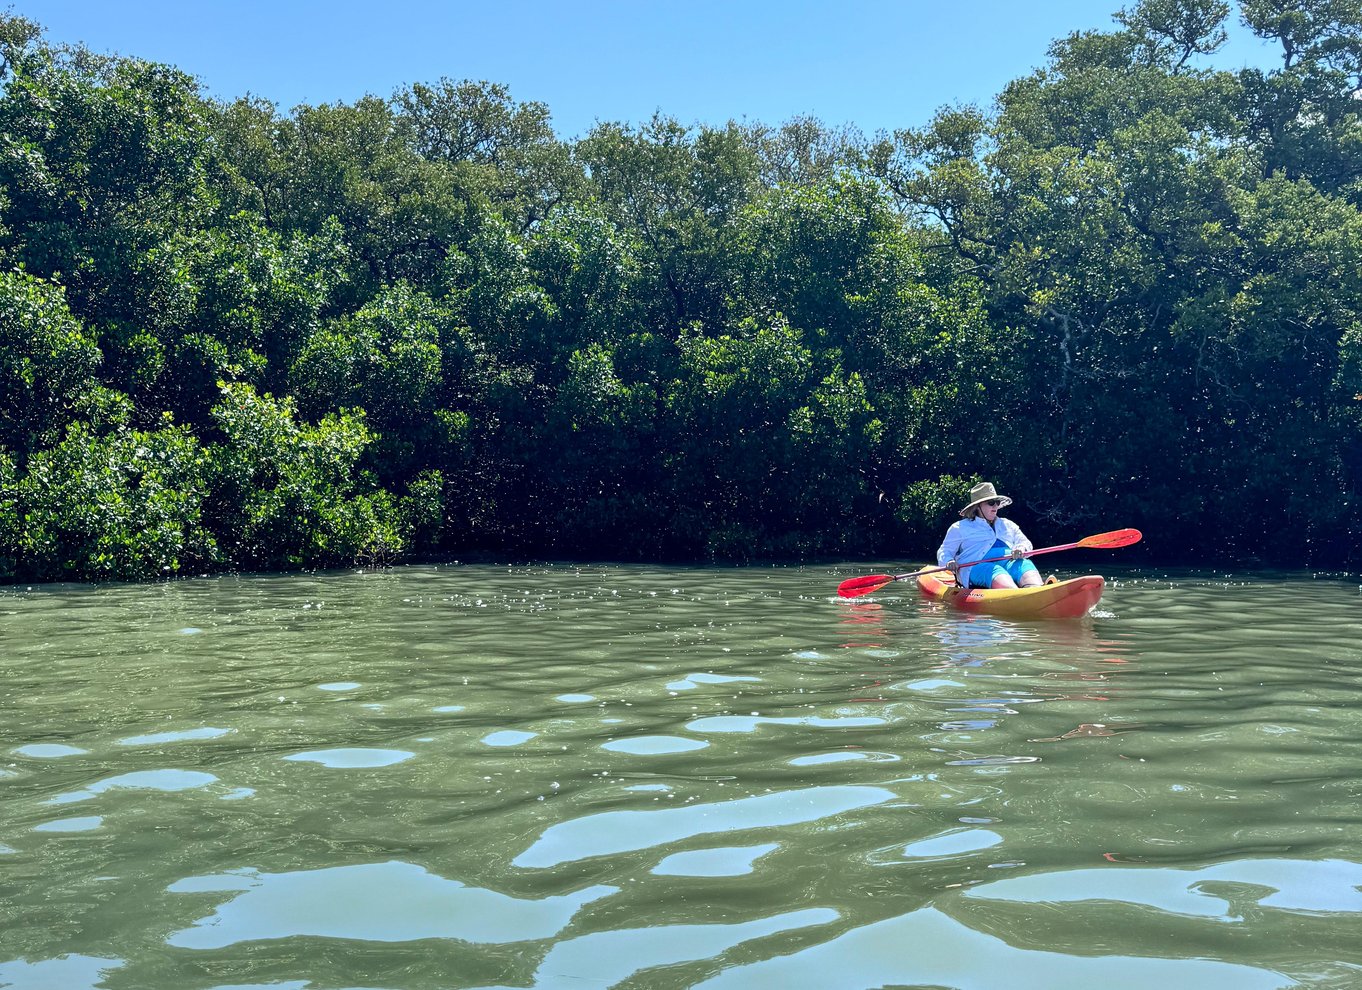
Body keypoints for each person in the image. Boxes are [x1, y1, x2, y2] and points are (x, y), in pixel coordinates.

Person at [937, 482, 1042, 589]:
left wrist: (1020, 548)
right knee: (996, 571)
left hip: (1008, 562)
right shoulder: (959, 528)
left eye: (997, 502)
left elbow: (1025, 542)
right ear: (978, 506)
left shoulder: (1008, 524)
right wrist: (949, 561)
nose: (996, 506)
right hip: (975, 567)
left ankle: (1037, 589)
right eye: (991, 503)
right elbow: (944, 551)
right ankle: (1015, 595)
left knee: (1024, 564)